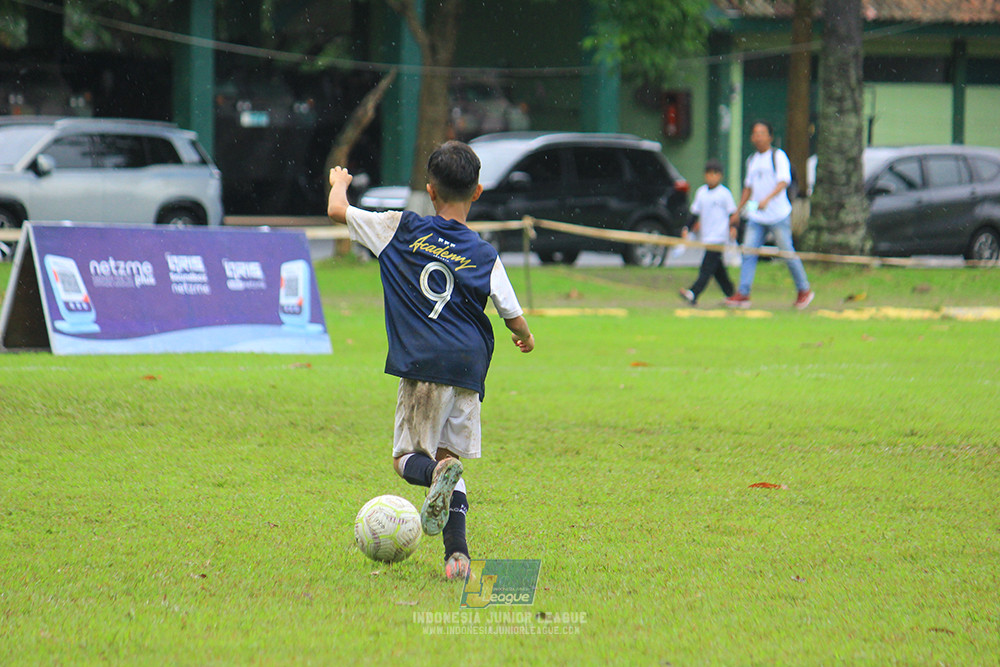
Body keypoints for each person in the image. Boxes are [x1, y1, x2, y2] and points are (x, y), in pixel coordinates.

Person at [327, 141, 535, 581]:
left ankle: (435, 473)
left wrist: (340, 183)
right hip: (468, 368)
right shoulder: (484, 253)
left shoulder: (400, 228)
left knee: (408, 459)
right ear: (477, 192)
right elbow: (511, 313)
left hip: (424, 365)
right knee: (451, 460)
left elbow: (336, 210)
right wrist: (526, 337)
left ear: (429, 189)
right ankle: (457, 558)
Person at [725, 120, 815, 310]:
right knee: (748, 252)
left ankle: (804, 290)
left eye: (762, 133)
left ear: (770, 136)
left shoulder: (778, 156)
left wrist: (768, 198)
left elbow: (783, 181)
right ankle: (743, 293)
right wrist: (738, 210)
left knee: (786, 253)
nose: (758, 137)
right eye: (755, 133)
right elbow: (748, 188)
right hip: (757, 217)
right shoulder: (752, 160)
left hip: (778, 215)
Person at [679, 159, 737, 306]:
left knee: (706, 267)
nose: (711, 177)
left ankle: (693, 293)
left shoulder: (724, 194)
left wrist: (734, 228)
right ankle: (731, 294)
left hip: (719, 237)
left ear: (720, 176)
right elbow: (694, 214)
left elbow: (732, 214)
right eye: (708, 174)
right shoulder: (701, 193)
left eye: (714, 174)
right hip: (707, 236)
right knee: (717, 269)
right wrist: (687, 228)